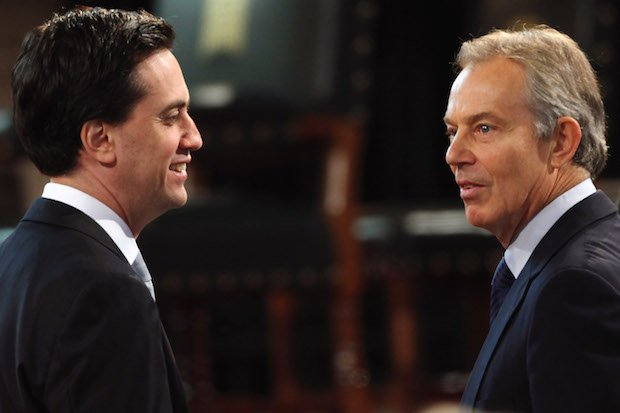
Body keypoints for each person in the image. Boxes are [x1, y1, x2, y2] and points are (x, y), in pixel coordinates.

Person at [0, 6, 202, 412]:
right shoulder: (105, 292)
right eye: (171, 117)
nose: (193, 137)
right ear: (100, 139)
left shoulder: (13, 258)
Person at [444, 25, 620, 412]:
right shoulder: (570, 259)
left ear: (561, 141)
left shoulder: (575, 287)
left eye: (484, 128)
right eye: (453, 131)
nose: (453, 155)